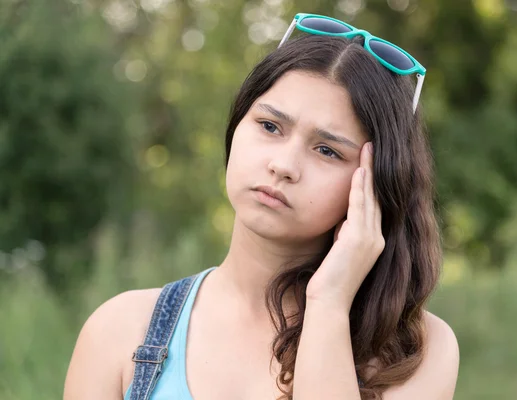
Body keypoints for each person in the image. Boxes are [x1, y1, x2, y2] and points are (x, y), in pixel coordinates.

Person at [64, 12, 459, 400]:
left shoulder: (415, 353)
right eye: (270, 126)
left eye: (326, 150)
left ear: (375, 183)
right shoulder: (120, 331)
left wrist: (329, 304)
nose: (283, 165)